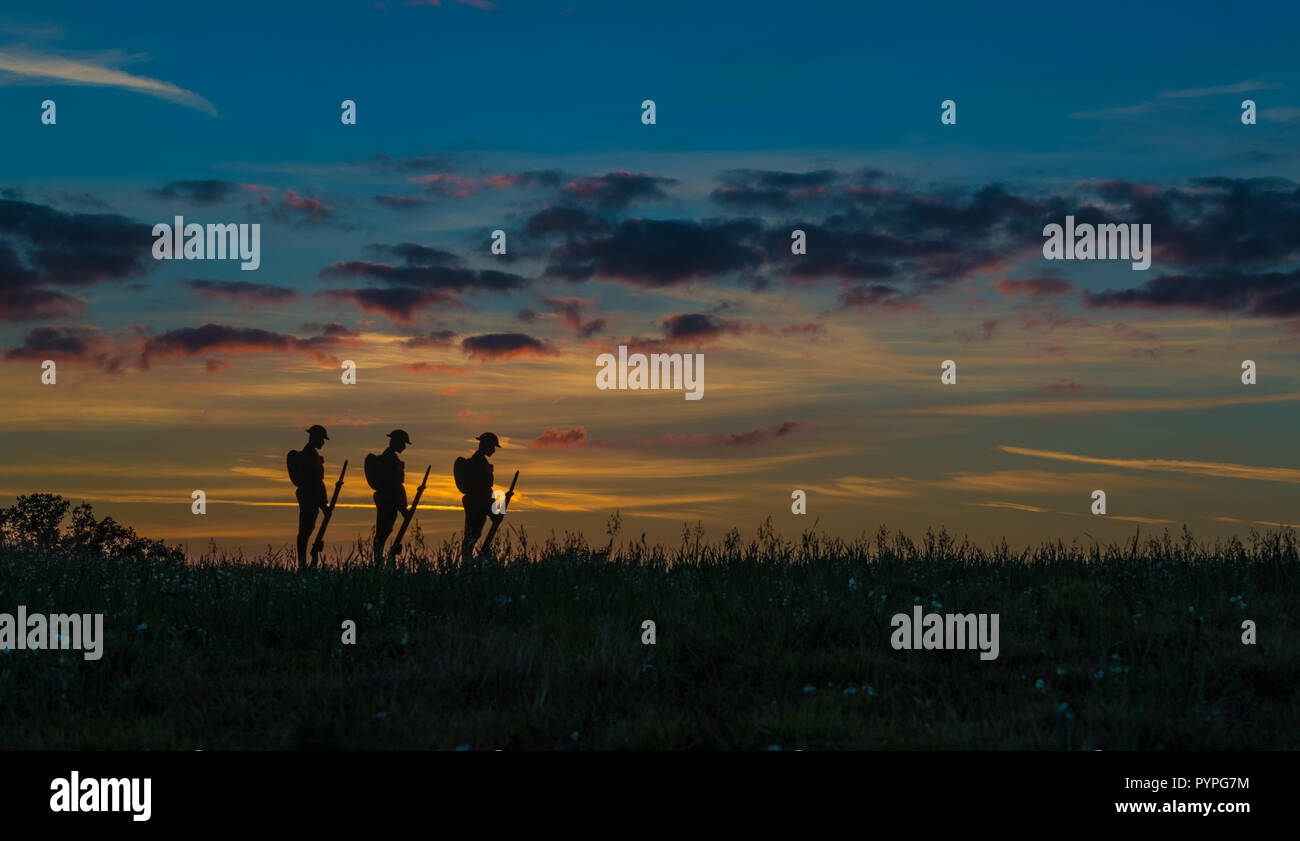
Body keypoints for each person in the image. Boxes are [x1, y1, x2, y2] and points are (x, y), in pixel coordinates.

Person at [460, 432, 501, 561]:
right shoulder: (478, 463)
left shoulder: (481, 462)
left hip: (479, 502)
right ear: (485, 445)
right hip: (477, 503)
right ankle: (467, 561)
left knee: (474, 534)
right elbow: (482, 490)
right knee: (472, 534)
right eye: (492, 446)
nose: (494, 450)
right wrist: (495, 510)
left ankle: (469, 560)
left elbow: (486, 490)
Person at [372, 429, 411, 563]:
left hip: (389, 500)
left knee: (384, 531)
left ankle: (378, 560)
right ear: (397, 442)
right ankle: (377, 561)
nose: (404, 447)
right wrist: (402, 508)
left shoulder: (389, 458)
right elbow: (393, 486)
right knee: (383, 532)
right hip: (389, 501)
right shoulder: (390, 460)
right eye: (403, 443)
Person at [295, 425, 329, 570]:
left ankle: (304, 562)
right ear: (315, 438)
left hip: (312, 497)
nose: (323, 442)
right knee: (305, 530)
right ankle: (302, 564)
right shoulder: (309, 455)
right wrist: (323, 505)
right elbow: (314, 482)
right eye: (321, 439)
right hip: (310, 497)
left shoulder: (311, 454)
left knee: (307, 529)